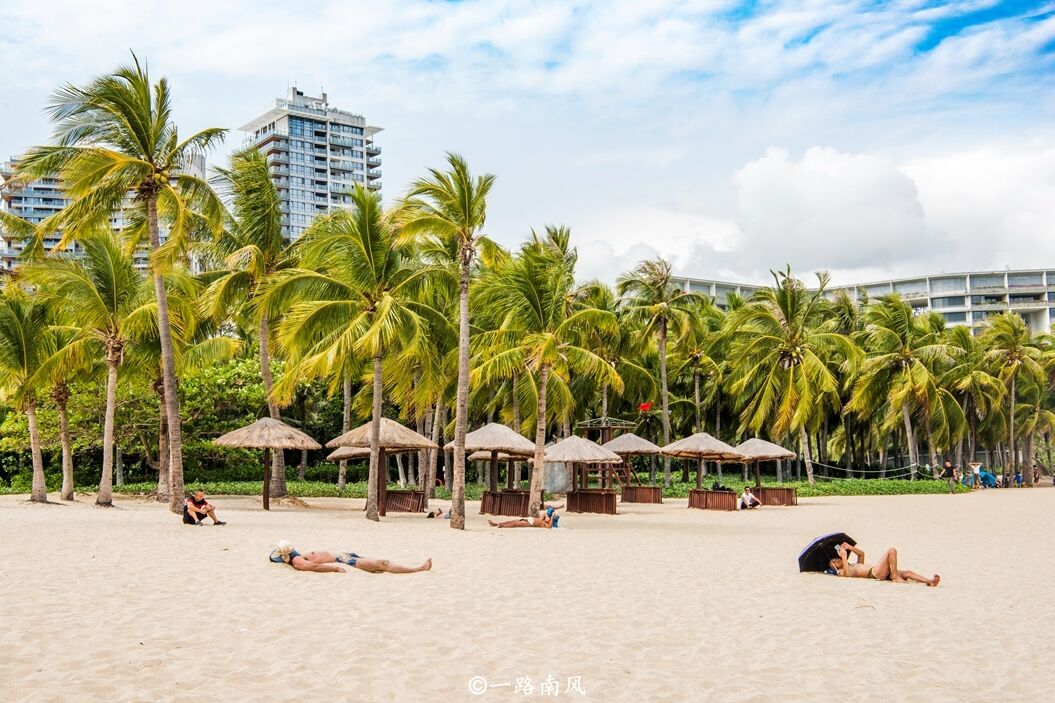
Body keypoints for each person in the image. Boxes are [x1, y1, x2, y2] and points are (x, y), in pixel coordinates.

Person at [269, 540, 431, 573]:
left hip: (344, 555)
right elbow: (313, 566)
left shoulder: (295, 556)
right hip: (344, 560)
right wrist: (335, 569)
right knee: (383, 563)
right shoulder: (297, 561)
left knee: (380, 563)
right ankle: (418, 569)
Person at [828, 542, 940, 587]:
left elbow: (862, 554)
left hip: (878, 570)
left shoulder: (853, 565)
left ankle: (929, 581)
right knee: (891, 551)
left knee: (907, 573)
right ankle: (895, 576)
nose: (835, 560)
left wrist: (849, 547)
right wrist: (843, 557)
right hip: (874, 573)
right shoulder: (842, 571)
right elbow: (847, 575)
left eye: (835, 558)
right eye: (833, 562)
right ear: (834, 568)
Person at [488, 504, 562, 529]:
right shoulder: (543, 519)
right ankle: (495, 524)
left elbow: (549, 527)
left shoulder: (545, 524)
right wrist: (549, 515)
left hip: (529, 524)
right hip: (528, 519)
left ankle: (502, 526)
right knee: (511, 521)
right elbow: (545, 514)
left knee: (515, 524)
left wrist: (552, 517)